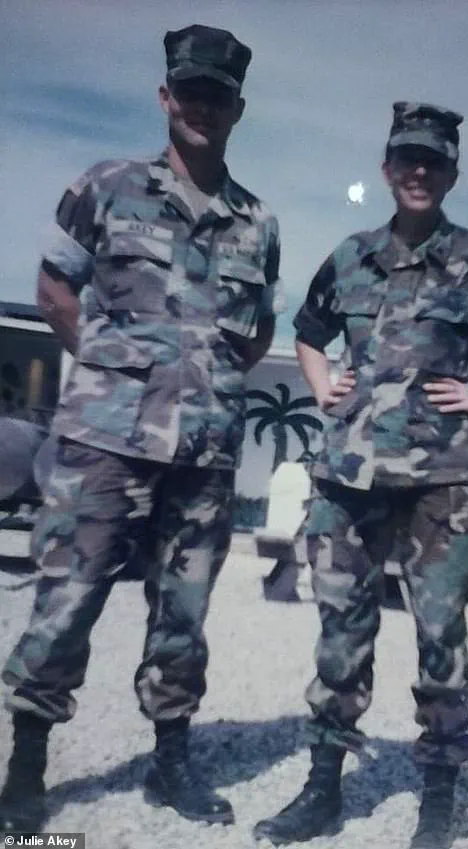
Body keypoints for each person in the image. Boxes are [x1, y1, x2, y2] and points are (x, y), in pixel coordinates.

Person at [253, 102, 468, 848]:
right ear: (387, 168)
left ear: (452, 174)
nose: (420, 171)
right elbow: (308, 333)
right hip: (350, 474)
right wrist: (321, 383)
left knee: (440, 635)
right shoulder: (351, 257)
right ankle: (323, 787)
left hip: (442, 477)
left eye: (434, 161)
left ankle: (438, 797)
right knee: (341, 632)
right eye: (408, 158)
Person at [0, 24, 282, 834]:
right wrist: (113, 375)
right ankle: (26, 768)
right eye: (189, 90)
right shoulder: (107, 186)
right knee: (69, 598)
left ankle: (170, 761)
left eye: (217, 95)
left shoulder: (257, 222)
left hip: (203, 452)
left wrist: (203, 383)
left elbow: (258, 328)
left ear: (237, 109)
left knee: (183, 614)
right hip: (105, 444)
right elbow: (55, 290)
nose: (202, 105)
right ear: (166, 96)